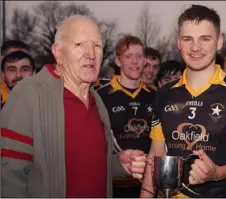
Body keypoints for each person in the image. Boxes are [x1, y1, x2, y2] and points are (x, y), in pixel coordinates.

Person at [0, 15, 146, 197]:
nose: (91, 54)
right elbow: (9, 178)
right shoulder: (28, 95)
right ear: (58, 52)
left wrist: (119, 165)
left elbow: (86, 167)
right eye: (80, 45)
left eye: (97, 46)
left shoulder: (97, 100)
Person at [140, 5, 226, 198]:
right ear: (178, 42)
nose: (195, 47)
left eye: (204, 39)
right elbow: (155, 155)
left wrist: (217, 173)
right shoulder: (164, 93)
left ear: (219, 41)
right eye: (187, 39)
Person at [97, 35, 156, 198]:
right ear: (118, 61)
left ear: (144, 60)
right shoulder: (100, 96)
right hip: (113, 184)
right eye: (128, 56)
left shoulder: (156, 97)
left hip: (148, 184)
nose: (135, 61)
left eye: (139, 56)